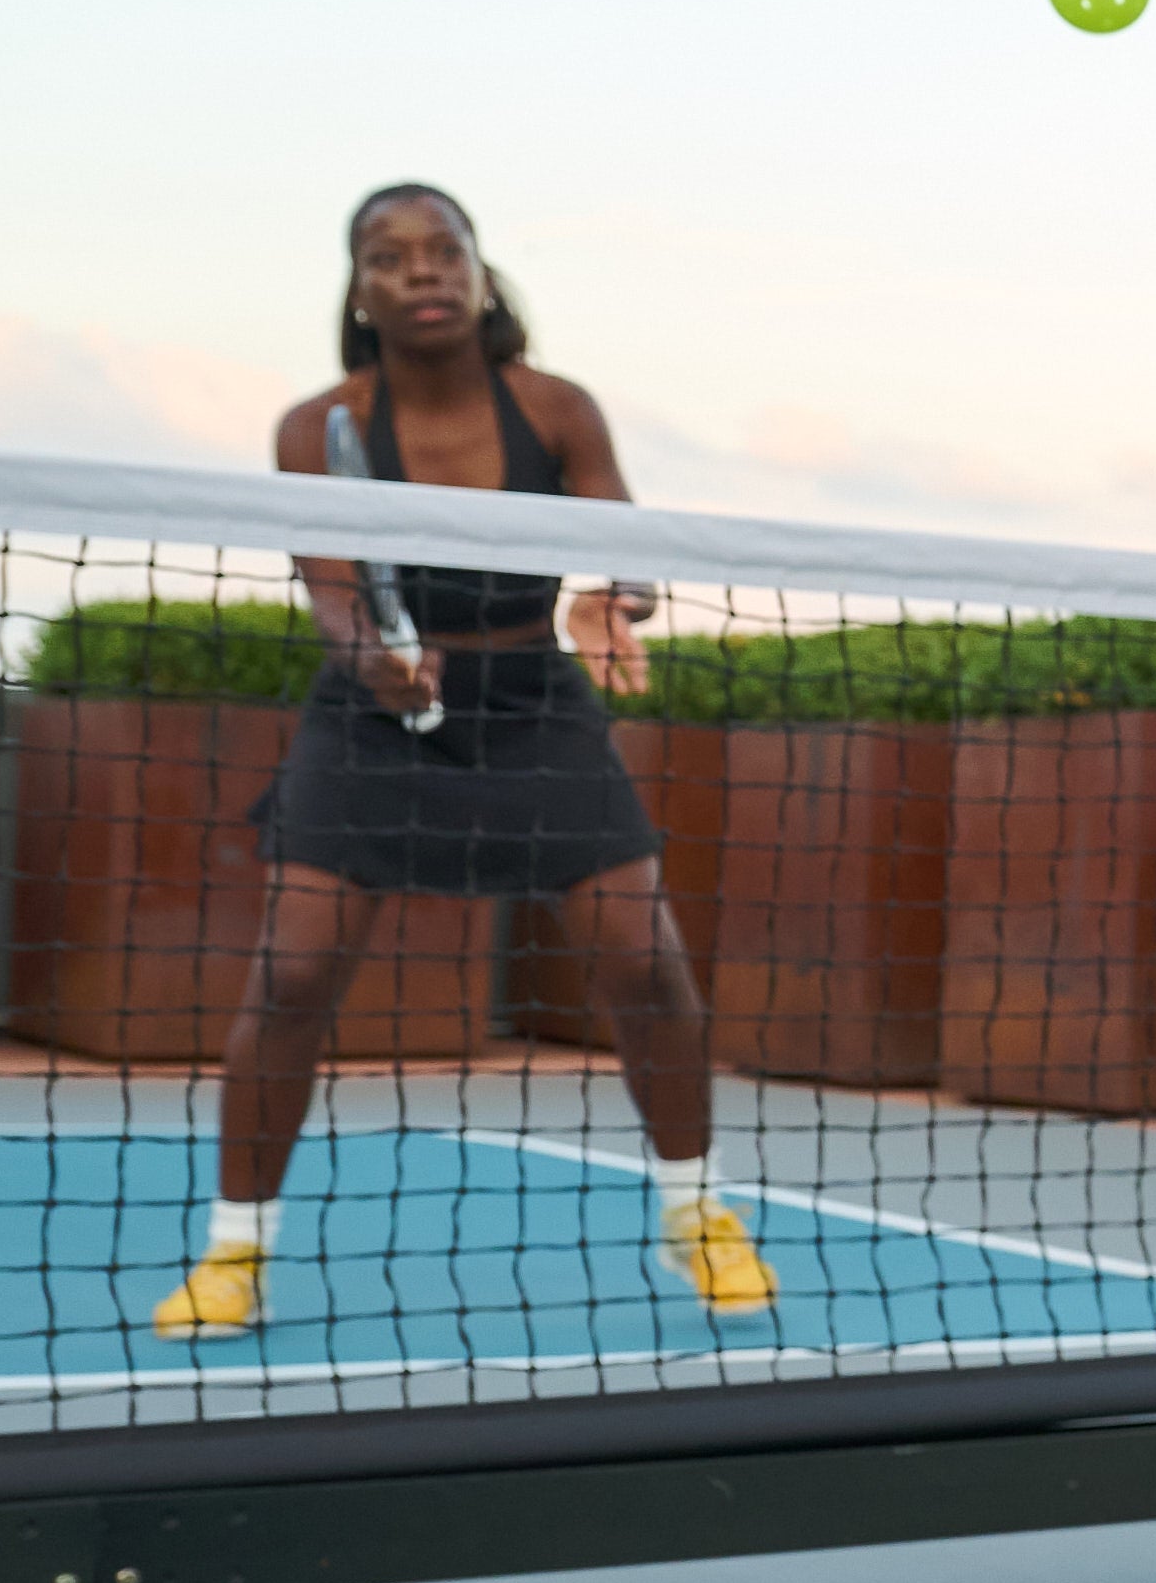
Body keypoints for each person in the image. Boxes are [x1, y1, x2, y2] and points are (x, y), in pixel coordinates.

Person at [152, 184, 778, 1337]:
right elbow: (334, 593)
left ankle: (697, 1214)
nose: (423, 271)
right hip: (368, 717)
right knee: (290, 980)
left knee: (646, 964)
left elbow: (621, 541)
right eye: (390, 258)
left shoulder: (554, 408)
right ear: (360, 291)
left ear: (483, 275)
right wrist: (376, 662)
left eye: (446, 251)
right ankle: (234, 1252)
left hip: (535, 700)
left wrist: (615, 593)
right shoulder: (317, 426)